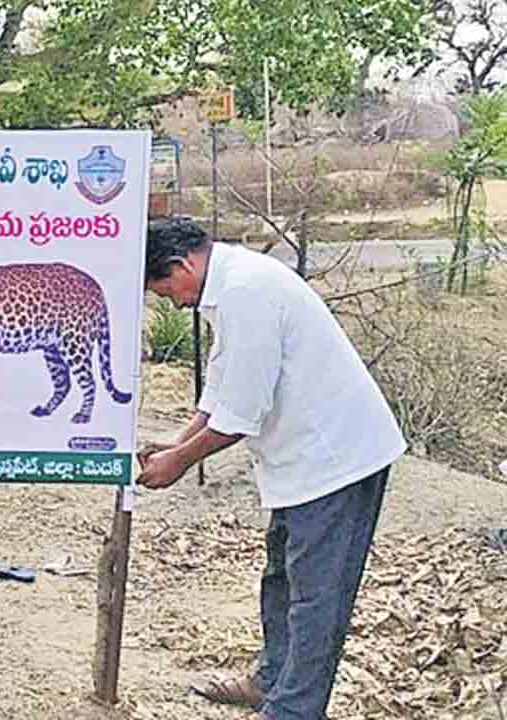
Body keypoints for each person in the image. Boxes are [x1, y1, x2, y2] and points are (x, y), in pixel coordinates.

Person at [137, 217, 406, 720]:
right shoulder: (232, 285)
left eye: (164, 289)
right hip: (302, 460)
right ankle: (271, 680)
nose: (170, 302)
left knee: (316, 597)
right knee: (281, 576)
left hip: (336, 460)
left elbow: (241, 413)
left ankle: (294, 709)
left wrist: (179, 461)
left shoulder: (246, 291)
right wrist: (176, 441)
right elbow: (220, 385)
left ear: (181, 265)